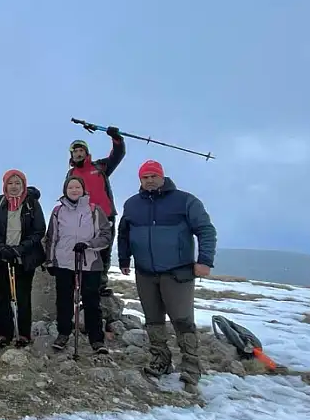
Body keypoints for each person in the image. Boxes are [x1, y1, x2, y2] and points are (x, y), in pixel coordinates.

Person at [118, 159, 217, 390]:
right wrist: (124, 259)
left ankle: (191, 366)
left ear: (162, 176)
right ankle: (161, 359)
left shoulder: (185, 201)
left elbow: (205, 230)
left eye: (153, 176)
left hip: (178, 272)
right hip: (145, 272)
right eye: (145, 177)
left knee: (182, 320)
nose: (149, 180)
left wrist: (205, 261)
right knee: (153, 319)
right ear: (140, 180)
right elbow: (124, 233)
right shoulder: (132, 204)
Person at [43, 176, 113, 360]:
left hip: (89, 262)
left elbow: (106, 235)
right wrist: (50, 261)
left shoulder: (94, 210)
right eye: (70, 187)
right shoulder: (58, 211)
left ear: (83, 190)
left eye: (77, 187)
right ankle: (63, 333)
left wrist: (89, 244)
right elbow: (51, 238)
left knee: (91, 301)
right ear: (65, 190)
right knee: (64, 300)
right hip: (64, 262)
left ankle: (96, 339)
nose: (74, 190)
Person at [0, 169, 46, 348]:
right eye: (10, 183)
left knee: (22, 296)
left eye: (17, 183)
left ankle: (24, 334)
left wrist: (20, 249)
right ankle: (4, 333)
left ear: (23, 185)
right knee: (2, 295)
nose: (13, 187)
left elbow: (39, 230)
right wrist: (1, 246)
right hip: (1, 256)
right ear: (5, 185)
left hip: (24, 257)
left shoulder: (31, 203)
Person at [67, 126, 125, 291]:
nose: (78, 153)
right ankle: (82, 284)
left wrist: (116, 139)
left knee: (104, 251)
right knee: (85, 249)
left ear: (86, 153)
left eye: (81, 150)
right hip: (83, 218)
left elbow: (118, 155)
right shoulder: (71, 174)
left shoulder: (100, 167)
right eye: (75, 151)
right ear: (71, 155)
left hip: (105, 216)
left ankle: (101, 285)